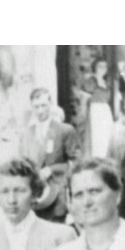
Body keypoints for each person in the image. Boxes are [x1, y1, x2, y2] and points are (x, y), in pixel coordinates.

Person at [18, 88, 82, 223]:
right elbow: (22, 165)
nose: (40, 111)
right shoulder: (27, 134)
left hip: (57, 194)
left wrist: (52, 169)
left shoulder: (64, 130)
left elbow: (77, 163)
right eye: (36, 107)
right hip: (36, 196)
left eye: (43, 105)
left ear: (50, 104)